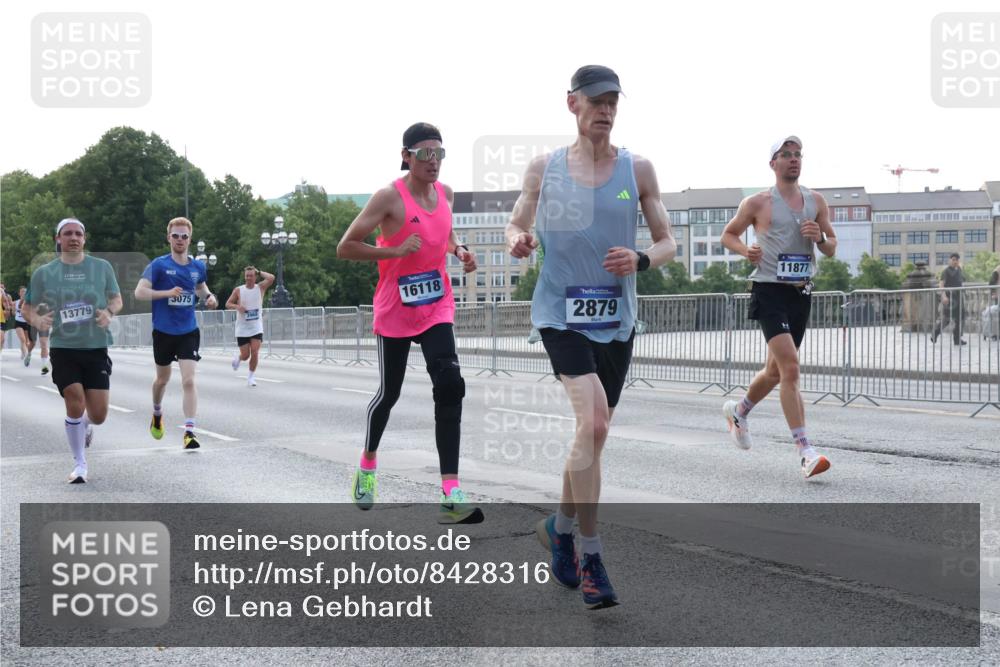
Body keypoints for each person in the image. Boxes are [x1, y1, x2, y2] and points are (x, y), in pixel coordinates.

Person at [506, 65, 676, 609]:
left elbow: (669, 240)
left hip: (616, 321)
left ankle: (558, 528)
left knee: (592, 435)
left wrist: (643, 257)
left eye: (613, 102)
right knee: (595, 421)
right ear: (572, 104)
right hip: (560, 315)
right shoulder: (545, 169)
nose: (605, 109)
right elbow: (516, 223)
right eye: (596, 100)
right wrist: (517, 240)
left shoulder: (638, 169)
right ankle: (592, 554)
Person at [337, 122, 482, 525]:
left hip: (436, 305)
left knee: (451, 384)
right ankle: (367, 466)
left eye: (439, 154)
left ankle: (450, 493)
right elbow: (345, 246)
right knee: (389, 393)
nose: (433, 162)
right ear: (407, 156)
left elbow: (446, 233)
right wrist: (395, 250)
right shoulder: (388, 198)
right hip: (396, 309)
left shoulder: (445, 194)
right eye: (425, 154)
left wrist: (460, 250)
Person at [720, 136, 836, 479]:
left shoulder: (816, 201)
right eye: (786, 155)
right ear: (773, 163)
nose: (793, 159)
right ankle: (806, 452)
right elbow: (728, 235)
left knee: (774, 372)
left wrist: (819, 238)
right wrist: (746, 252)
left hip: (800, 292)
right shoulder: (756, 202)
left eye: (798, 154)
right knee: (791, 369)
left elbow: (831, 248)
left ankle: (738, 412)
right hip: (768, 290)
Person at [21, 218, 122, 483]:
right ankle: (80, 464)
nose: (73, 237)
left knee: (98, 415)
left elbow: (116, 299)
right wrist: (37, 321)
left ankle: (86, 425)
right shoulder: (44, 273)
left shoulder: (102, 267)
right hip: (64, 348)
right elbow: (26, 307)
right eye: (68, 234)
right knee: (74, 398)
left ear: (85, 239)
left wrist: (109, 313)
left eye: (78, 233)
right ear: (58, 239)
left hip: (96, 346)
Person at [134, 217, 218, 449]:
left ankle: (189, 432)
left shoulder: (197, 267)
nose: (180, 240)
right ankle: (157, 413)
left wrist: (210, 297)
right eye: (176, 236)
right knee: (162, 380)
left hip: (188, 330)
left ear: (190, 239)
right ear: (168, 238)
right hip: (163, 331)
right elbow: (139, 292)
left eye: (184, 236)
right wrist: (166, 293)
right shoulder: (159, 265)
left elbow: (200, 288)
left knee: (189, 379)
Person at [226, 266, 274, 386]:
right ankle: (239, 358)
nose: (248, 278)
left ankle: (251, 377)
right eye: (247, 276)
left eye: (251, 275)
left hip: (256, 326)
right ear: (244, 276)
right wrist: (238, 307)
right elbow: (228, 303)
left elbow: (271, 278)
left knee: (255, 351)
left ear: (255, 276)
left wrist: (259, 271)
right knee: (246, 355)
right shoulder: (239, 290)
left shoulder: (261, 288)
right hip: (242, 327)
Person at [930, 252, 967, 345]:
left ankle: (957, 339)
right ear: (950, 260)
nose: (955, 261)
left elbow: (962, 281)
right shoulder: (946, 271)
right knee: (947, 318)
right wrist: (943, 296)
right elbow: (941, 284)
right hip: (950, 298)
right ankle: (935, 333)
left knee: (960, 318)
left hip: (959, 297)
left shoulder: (959, 269)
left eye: (957, 260)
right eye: (953, 260)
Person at [13, 286, 38, 366]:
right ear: (19, 293)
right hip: (18, 322)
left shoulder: (30, 301)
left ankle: (27, 354)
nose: (23, 292)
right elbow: (13, 313)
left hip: (27, 322)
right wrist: (17, 310)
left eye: (25, 291)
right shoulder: (16, 302)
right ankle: (24, 355)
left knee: (27, 341)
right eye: (22, 291)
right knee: (23, 340)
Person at [0, 283, 13, 351]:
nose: (1, 288)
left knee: (2, 337)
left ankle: (1, 350)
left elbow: (10, 306)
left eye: (2, 287)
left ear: (4, 288)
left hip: (3, 317)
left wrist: (7, 311)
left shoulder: (8, 296)